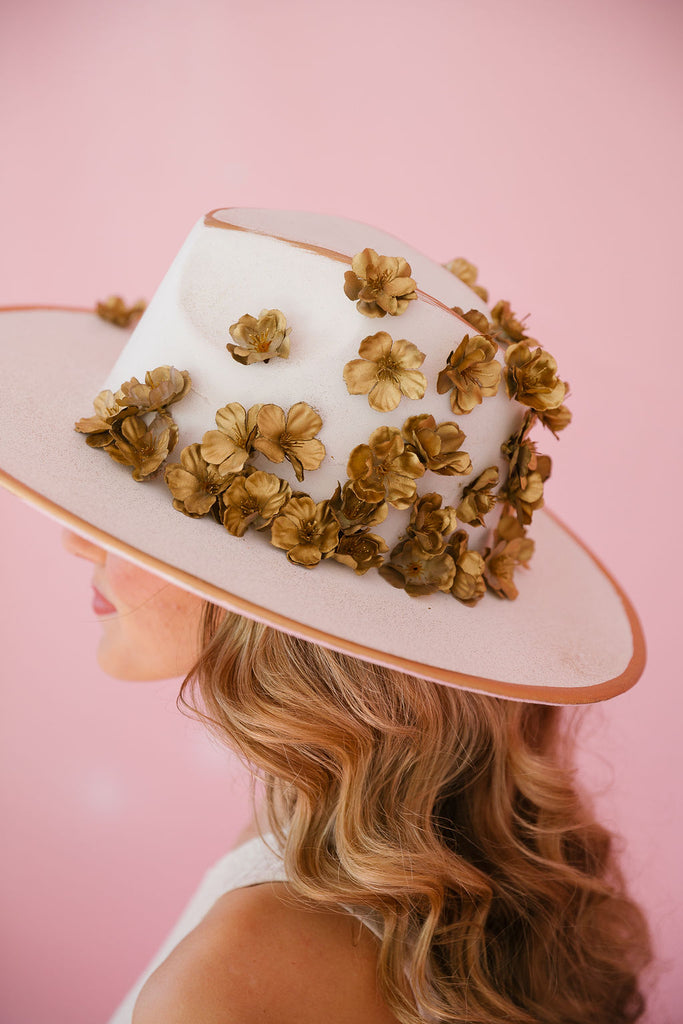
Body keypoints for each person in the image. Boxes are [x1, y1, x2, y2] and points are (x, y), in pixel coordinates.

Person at [0, 208, 652, 1022]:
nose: (73, 542)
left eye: (147, 507)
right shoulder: (439, 876)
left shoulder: (234, 982)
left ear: (279, 605)